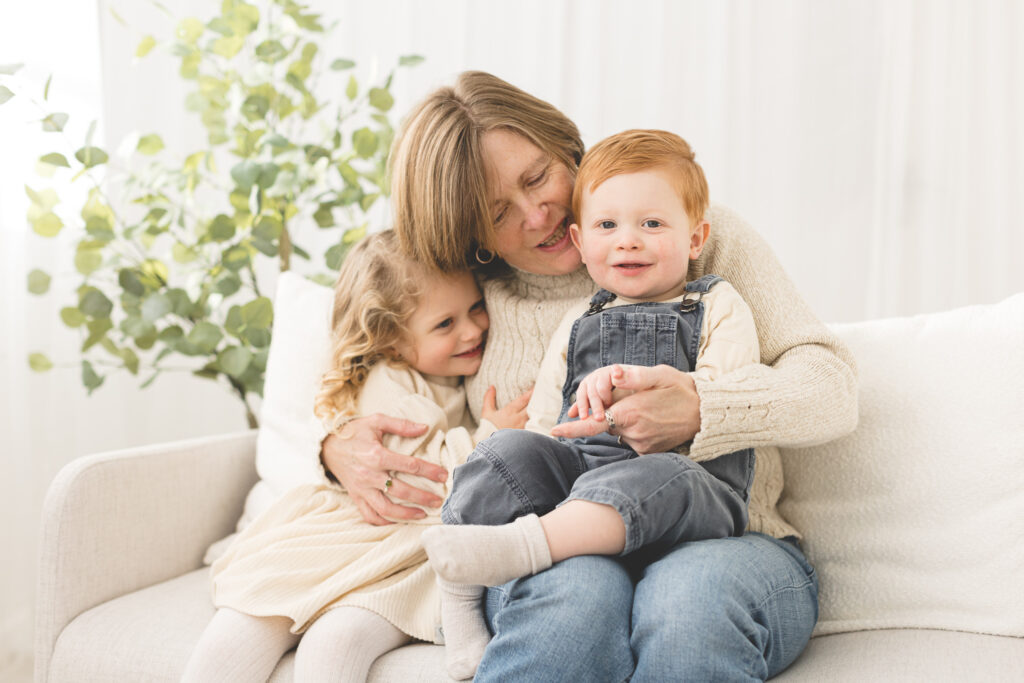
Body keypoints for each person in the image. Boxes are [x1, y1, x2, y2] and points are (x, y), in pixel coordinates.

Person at [322, 71, 859, 681]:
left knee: (689, 604)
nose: (538, 212)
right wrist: (335, 444)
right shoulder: (469, 300)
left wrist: (704, 408)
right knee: (572, 602)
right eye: (499, 212)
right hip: (549, 549)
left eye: (537, 177)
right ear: (470, 236)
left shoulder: (689, 235)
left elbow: (832, 386)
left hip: (724, 538)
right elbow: (385, 386)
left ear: (563, 146)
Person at [421, 128, 762, 679]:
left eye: (651, 224)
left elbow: (729, 395)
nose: (628, 240)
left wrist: (659, 393)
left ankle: (530, 547)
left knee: (654, 474)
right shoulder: (581, 320)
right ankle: (459, 601)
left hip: (691, 489)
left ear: (695, 238)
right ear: (581, 241)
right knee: (506, 453)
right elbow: (543, 425)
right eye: (608, 226)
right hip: (581, 480)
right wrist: (528, 451)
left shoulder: (717, 304)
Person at [182, 230, 529, 683]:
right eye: (445, 324)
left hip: (402, 553)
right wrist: (491, 435)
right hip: (367, 531)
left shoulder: (448, 373)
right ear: (390, 342)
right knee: (248, 620)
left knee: (336, 644)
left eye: (476, 307)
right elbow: (426, 478)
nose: (472, 329)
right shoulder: (391, 382)